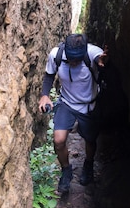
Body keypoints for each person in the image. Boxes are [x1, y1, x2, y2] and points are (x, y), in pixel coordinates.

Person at [38, 33, 108, 193]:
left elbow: (100, 59)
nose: (73, 62)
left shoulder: (91, 53)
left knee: (90, 140)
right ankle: (66, 170)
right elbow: (49, 75)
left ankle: (88, 164)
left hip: (89, 105)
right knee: (59, 141)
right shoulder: (56, 55)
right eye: (70, 58)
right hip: (66, 103)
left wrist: (103, 61)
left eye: (77, 59)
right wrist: (44, 95)